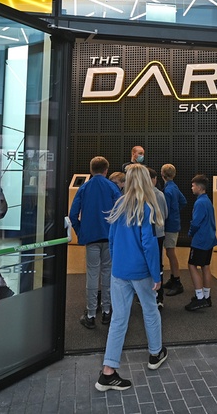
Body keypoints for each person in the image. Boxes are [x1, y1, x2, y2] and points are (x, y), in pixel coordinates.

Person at [95, 164, 167, 392]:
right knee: (150, 310)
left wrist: (117, 265)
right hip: (141, 272)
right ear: (145, 180)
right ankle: (155, 354)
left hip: (120, 272)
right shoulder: (146, 208)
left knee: (119, 319)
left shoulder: (119, 205)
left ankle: (108, 372)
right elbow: (149, 245)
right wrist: (156, 275)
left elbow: (112, 240)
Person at [69, 156, 121, 328]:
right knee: (107, 273)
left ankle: (91, 314)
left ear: (91, 170)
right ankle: (107, 312)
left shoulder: (84, 187)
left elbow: (73, 214)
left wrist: (80, 231)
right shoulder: (113, 187)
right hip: (109, 237)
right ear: (106, 170)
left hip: (91, 238)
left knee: (92, 275)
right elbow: (120, 212)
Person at [184, 174, 217, 311]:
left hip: (200, 240)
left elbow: (196, 222)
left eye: (193, 186)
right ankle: (206, 296)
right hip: (209, 239)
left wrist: (190, 233)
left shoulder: (199, 203)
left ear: (198, 187)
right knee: (205, 265)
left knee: (192, 265)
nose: (191, 188)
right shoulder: (207, 201)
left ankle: (199, 298)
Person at [161, 164, 186, 296]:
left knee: (170, 252)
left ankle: (177, 281)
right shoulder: (174, 187)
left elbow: (165, 211)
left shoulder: (167, 191)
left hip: (169, 226)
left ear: (162, 174)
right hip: (174, 224)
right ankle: (172, 278)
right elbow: (183, 201)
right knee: (170, 252)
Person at [148, 168, 168, 309]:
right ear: (153, 179)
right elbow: (165, 213)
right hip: (159, 233)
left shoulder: (142, 194)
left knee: (147, 262)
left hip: (147, 234)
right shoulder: (160, 194)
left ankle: (147, 295)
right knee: (158, 263)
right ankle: (159, 296)